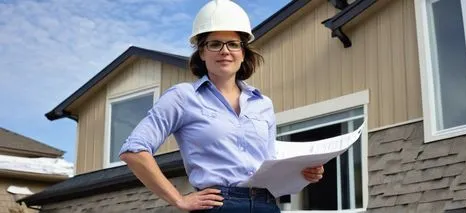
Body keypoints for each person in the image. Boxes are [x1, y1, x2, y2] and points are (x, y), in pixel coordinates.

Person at [119, 0, 324, 212]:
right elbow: (133, 150)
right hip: (219, 205)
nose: (225, 51)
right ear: (202, 52)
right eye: (215, 44)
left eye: (233, 44)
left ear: (243, 52)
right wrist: (178, 199)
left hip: (267, 204)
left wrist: (302, 173)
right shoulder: (182, 97)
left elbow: (269, 163)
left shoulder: (263, 104)